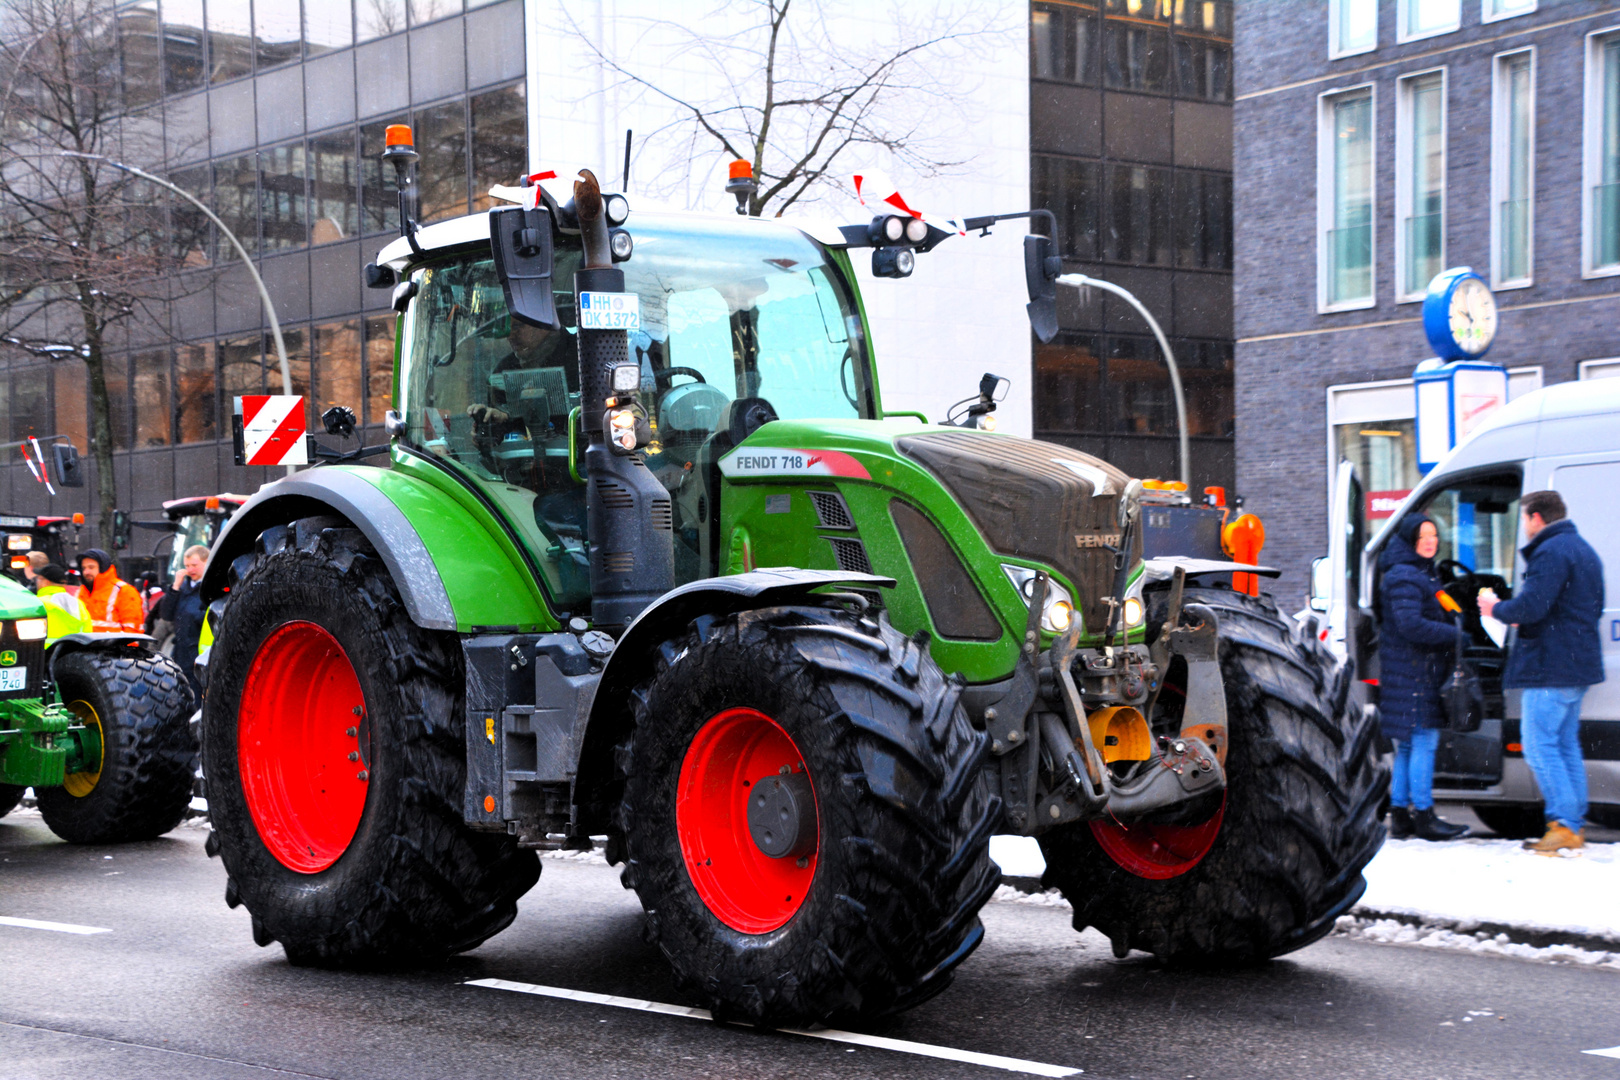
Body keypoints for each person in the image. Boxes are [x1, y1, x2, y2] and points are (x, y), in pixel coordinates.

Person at [1478, 490, 1605, 855]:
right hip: (1575, 663)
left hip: (1551, 666)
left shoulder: (1551, 552)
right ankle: (1572, 823)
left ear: (1536, 518)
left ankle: (1564, 824)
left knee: (1538, 746)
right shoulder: (1582, 549)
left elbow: (1533, 605)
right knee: (1564, 746)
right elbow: (1572, 609)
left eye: (1524, 520)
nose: (1524, 527)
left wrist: (1496, 607)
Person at [1378, 514, 1470, 841]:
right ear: (1409, 540)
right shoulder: (1405, 576)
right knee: (1424, 741)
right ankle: (1425, 815)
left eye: (1434, 535)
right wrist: (1454, 635)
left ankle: (1401, 815)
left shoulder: (1418, 572)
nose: (1430, 541)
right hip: (1414, 672)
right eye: (1423, 536)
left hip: (1413, 670)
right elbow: (1410, 625)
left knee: (1407, 746)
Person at [160, 544, 209, 694]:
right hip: (181, 652)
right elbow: (166, 614)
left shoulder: (210, 589)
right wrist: (175, 587)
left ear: (206, 562)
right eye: (187, 565)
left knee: (198, 692)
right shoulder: (182, 588)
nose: (190, 570)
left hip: (199, 652)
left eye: (194, 565)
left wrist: (194, 616)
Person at [79, 548, 144, 633]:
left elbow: (132, 630)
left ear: (103, 568)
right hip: (83, 645)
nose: (86, 572)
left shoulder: (124, 591)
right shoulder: (81, 591)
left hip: (111, 645)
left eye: (91, 567)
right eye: (84, 568)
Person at [35, 563, 92, 643]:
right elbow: (87, 630)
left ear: (46, 582)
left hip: (45, 653)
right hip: (72, 653)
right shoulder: (78, 603)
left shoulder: (38, 604)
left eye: (38, 579)